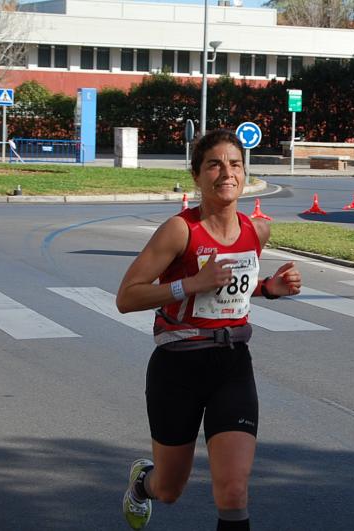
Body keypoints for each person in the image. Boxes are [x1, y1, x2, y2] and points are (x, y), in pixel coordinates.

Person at [116, 129, 302, 530]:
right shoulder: (179, 230)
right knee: (170, 488)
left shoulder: (257, 231)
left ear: (245, 173)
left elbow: (232, 284)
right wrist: (189, 284)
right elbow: (127, 297)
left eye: (234, 164)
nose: (226, 173)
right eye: (214, 164)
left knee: (233, 491)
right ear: (197, 176)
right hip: (177, 368)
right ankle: (142, 485)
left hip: (232, 364)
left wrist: (269, 288)